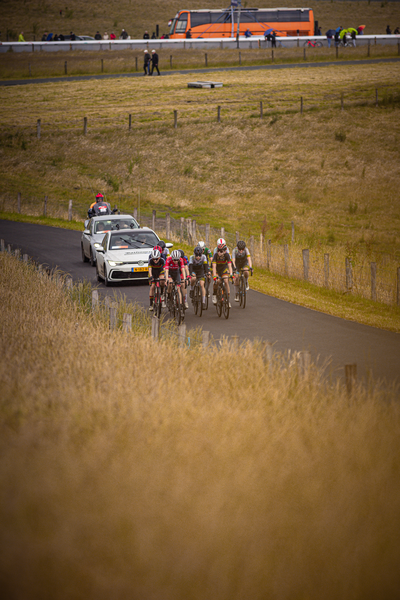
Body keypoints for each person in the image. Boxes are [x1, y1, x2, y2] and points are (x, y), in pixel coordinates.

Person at [212, 240, 233, 307]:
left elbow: (229, 266)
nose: (219, 253)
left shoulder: (227, 255)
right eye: (218, 250)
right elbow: (214, 267)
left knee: (226, 281)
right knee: (217, 281)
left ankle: (228, 299)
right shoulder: (215, 255)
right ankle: (215, 294)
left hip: (223, 269)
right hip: (217, 270)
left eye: (221, 251)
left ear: (224, 251)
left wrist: (231, 274)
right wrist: (215, 276)